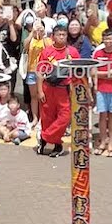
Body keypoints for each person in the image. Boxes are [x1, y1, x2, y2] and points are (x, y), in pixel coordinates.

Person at [36, 24, 76, 157]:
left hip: (64, 90)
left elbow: (78, 72)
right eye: (59, 34)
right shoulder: (47, 51)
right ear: (53, 37)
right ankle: (57, 145)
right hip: (48, 88)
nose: (61, 37)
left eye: (64, 35)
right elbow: (40, 71)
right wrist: (40, 90)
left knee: (64, 117)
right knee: (47, 118)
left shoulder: (72, 52)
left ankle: (43, 137)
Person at [93, 29, 112, 157]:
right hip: (100, 89)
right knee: (102, 116)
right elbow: (93, 72)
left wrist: (101, 74)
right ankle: (102, 141)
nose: (108, 41)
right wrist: (108, 73)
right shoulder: (98, 53)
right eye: (105, 38)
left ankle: (111, 142)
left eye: (110, 38)